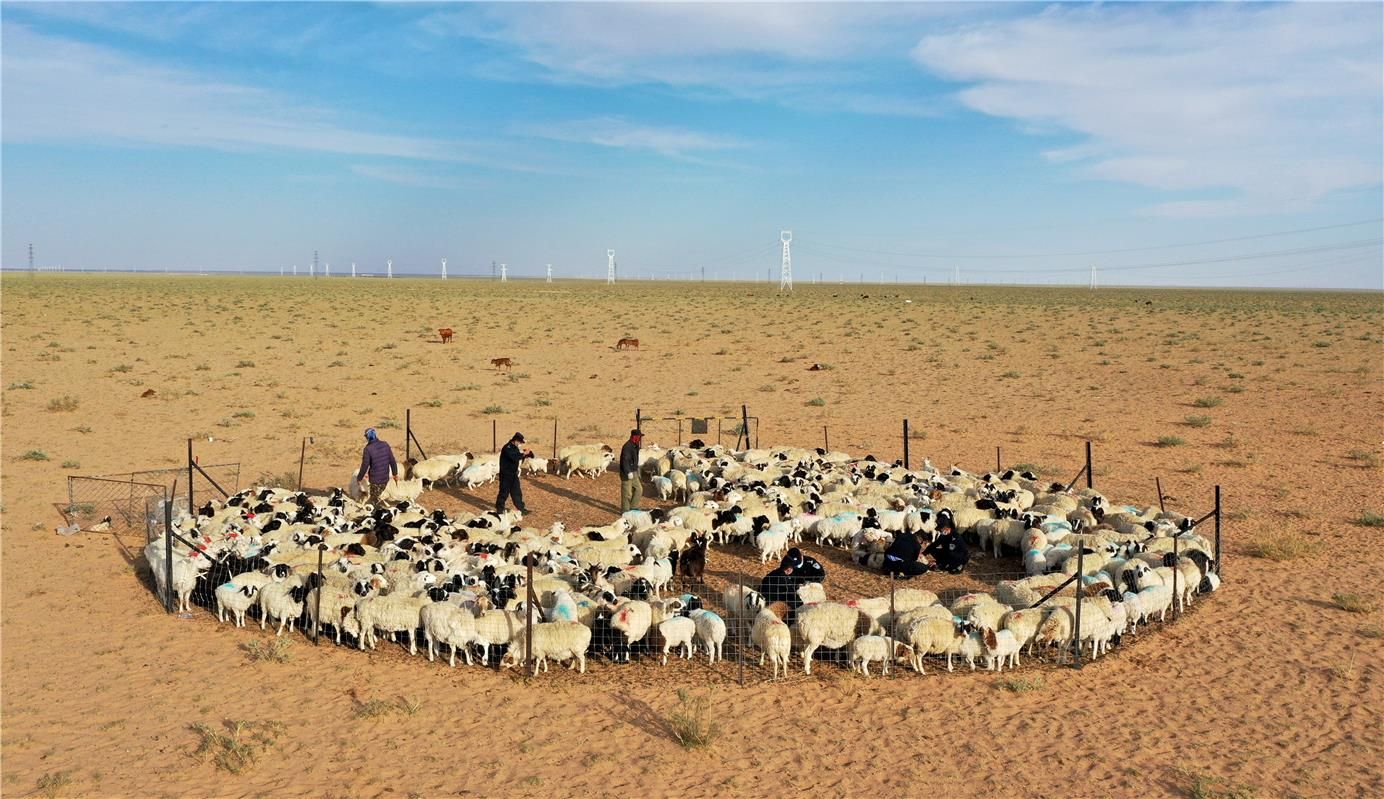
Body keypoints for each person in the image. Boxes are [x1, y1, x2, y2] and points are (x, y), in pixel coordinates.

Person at [760, 547, 828, 622]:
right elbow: (784, 575)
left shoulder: (810, 562)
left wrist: (809, 582)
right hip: (793, 589)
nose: (793, 567)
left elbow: (821, 574)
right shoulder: (788, 564)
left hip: (808, 587)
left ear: (801, 557)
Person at [356, 427, 398, 507]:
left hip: (375, 481)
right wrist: (395, 474)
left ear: (367, 437)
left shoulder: (368, 449)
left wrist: (359, 478)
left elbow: (365, 466)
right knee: (379, 496)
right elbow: (392, 461)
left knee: (374, 501)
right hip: (385, 479)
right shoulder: (385, 444)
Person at [495, 432, 532, 515]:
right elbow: (514, 457)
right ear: (515, 440)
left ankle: (521, 509)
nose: (520, 444)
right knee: (504, 492)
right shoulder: (507, 448)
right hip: (506, 475)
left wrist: (527, 453)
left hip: (513, 474)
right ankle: (499, 509)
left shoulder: (514, 447)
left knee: (516, 492)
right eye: (519, 442)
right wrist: (523, 454)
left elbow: (518, 455)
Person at [619, 429, 643, 513]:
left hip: (634, 471)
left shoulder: (635, 445)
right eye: (639, 437)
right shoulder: (627, 447)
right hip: (627, 472)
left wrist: (636, 468)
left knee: (639, 489)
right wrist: (628, 471)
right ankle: (625, 511)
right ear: (635, 437)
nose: (640, 438)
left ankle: (633, 507)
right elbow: (625, 460)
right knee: (627, 493)